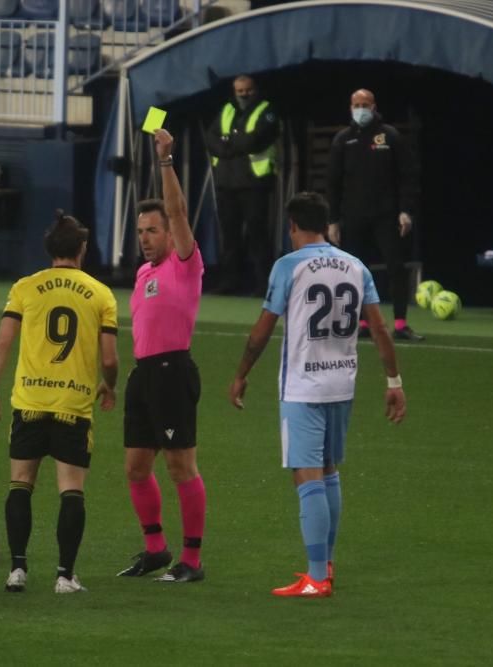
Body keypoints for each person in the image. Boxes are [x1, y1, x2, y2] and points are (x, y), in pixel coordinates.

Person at [229, 192, 406, 598]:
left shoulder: (289, 266)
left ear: (292, 225)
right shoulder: (355, 266)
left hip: (303, 385)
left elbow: (262, 330)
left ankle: (316, 578)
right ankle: (324, 565)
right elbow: (379, 328)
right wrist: (394, 382)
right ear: (325, 225)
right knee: (328, 470)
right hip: (342, 383)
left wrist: (241, 373)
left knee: (306, 473)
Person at [0, 212, 118, 595]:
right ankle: (64, 575)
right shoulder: (100, 294)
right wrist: (110, 386)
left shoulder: (26, 287)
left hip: (29, 401)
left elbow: (2, 342)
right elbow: (109, 359)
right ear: (82, 249)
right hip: (72, 405)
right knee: (71, 489)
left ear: (49, 250)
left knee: (20, 483)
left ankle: (18, 570)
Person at [118, 128, 207, 583]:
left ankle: (191, 560)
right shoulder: (142, 273)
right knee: (135, 467)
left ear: (171, 234)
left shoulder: (185, 263)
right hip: (144, 375)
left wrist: (165, 160)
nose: (146, 237)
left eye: (153, 230)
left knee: (179, 465)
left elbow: (176, 209)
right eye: (140, 231)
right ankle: (155, 549)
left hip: (174, 372)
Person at [326, 88, 424, 341]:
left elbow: (407, 177)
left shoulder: (389, 136)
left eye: (365, 104)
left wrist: (405, 211)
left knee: (395, 267)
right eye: (356, 104)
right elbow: (333, 183)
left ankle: (401, 324)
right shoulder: (342, 140)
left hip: (386, 215)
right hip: (354, 215)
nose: (361, 109)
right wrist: (333, 220)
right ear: (350, 108)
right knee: (356, 271)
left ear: (374, 107)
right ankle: (361, 323)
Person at [204, 74, 279, 295]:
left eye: (247, 90)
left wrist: (229, 142)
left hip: (254, 183)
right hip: (226, 183)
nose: (244, 95)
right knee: (230, 236)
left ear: (254, 89)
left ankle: (264, 284)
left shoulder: (266, 110)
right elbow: (211, 138)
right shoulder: (227, 109)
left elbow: (256, 140)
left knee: (258, 236)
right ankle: (230, 282)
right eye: (240, 91)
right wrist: (232, 143)